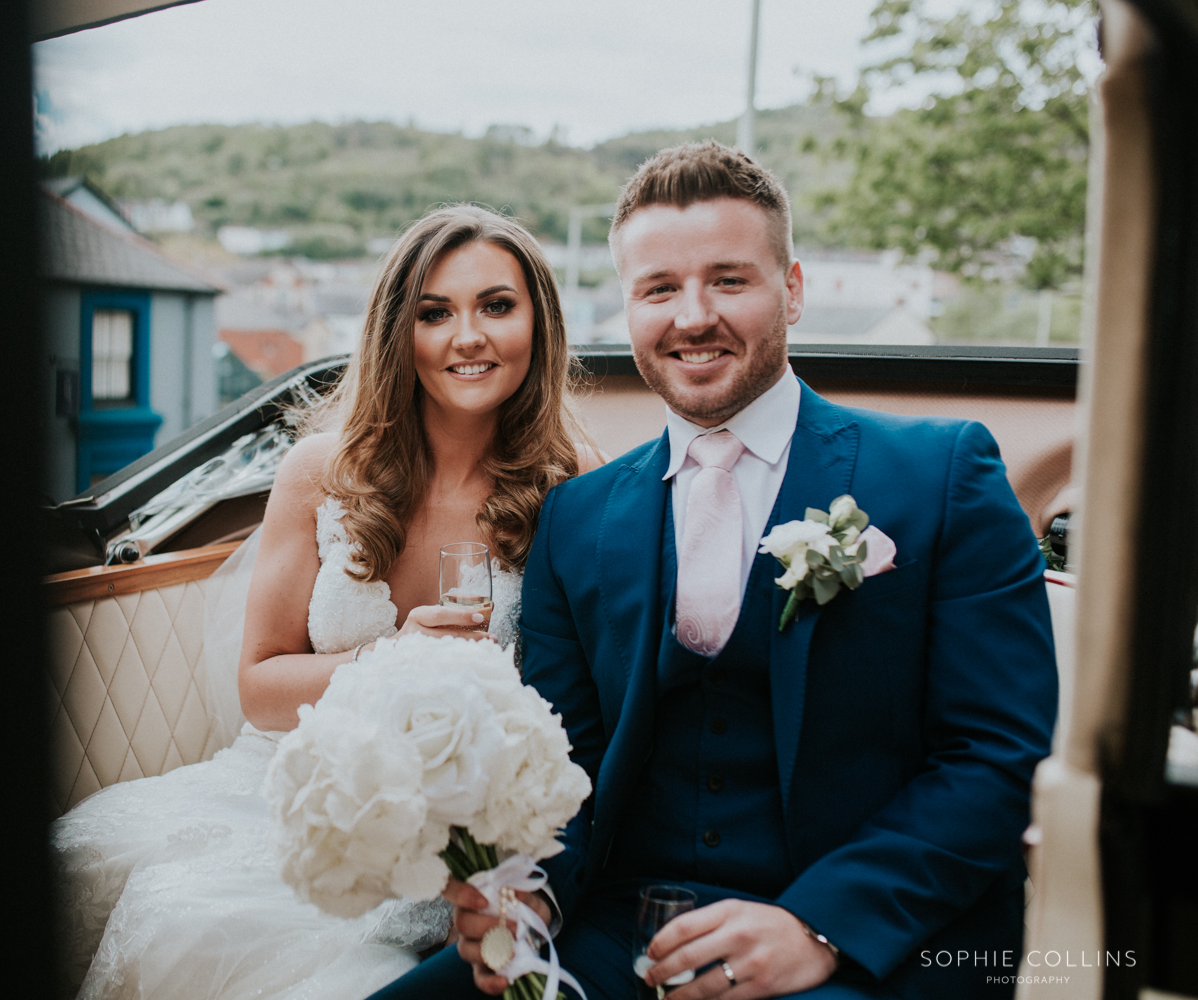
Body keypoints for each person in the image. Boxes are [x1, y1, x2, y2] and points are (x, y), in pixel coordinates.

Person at [370, 142, 1058, 1000]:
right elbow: (556, 764)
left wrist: (819, 925)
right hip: (611, 932)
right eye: (659, 289)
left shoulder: (942, 476)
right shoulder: (577, 520)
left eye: (729, 280)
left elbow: (999, 755)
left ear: (793, 289)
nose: (692, 317)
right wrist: (528, 895)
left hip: (865, 943)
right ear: (628, 307)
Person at [51, 204, 600, 1000]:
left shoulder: (576, 480)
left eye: (497, 306)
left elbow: (589, 694)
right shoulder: (319, 471)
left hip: (480, 803)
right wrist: (394, 657)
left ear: (539, 324)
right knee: (118, 883)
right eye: (434, 312)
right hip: (295, 782)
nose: (468, 336)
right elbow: (260, 687)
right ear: (395, 331)